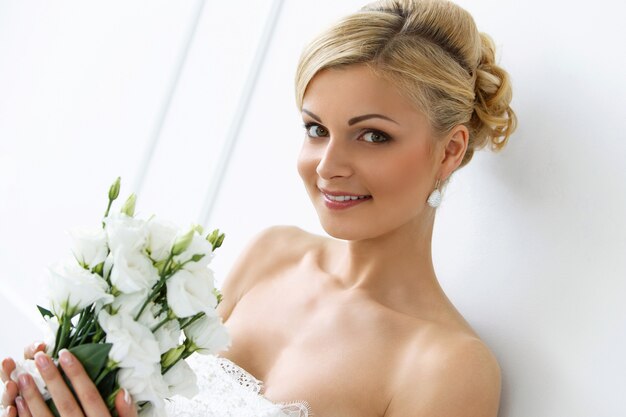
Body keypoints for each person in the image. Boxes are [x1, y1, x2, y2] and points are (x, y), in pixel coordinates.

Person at [1, 0, 516, 416]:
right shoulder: (273, 254)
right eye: (317, 130)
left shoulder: (449, 368)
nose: (328, 165)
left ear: (449, 149)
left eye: (373, 136)